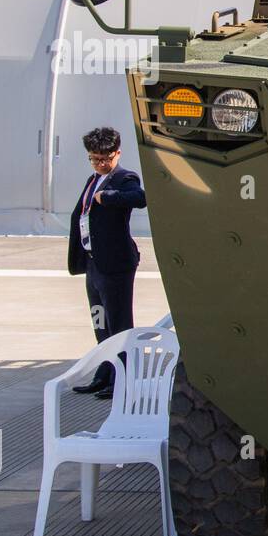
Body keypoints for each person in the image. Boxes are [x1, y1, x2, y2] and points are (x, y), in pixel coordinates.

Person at [67, 127, 147, 399]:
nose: (101, 163)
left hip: (115, 265)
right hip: (94, 264)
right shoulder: (93, 180)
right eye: (94, 158)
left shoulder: (124, 178)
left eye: (106, 158)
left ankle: (124, 380)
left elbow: (140, 198)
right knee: (100, 322)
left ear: (118, 154)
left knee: (119, 323)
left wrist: (109, 197)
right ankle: (104, 374)